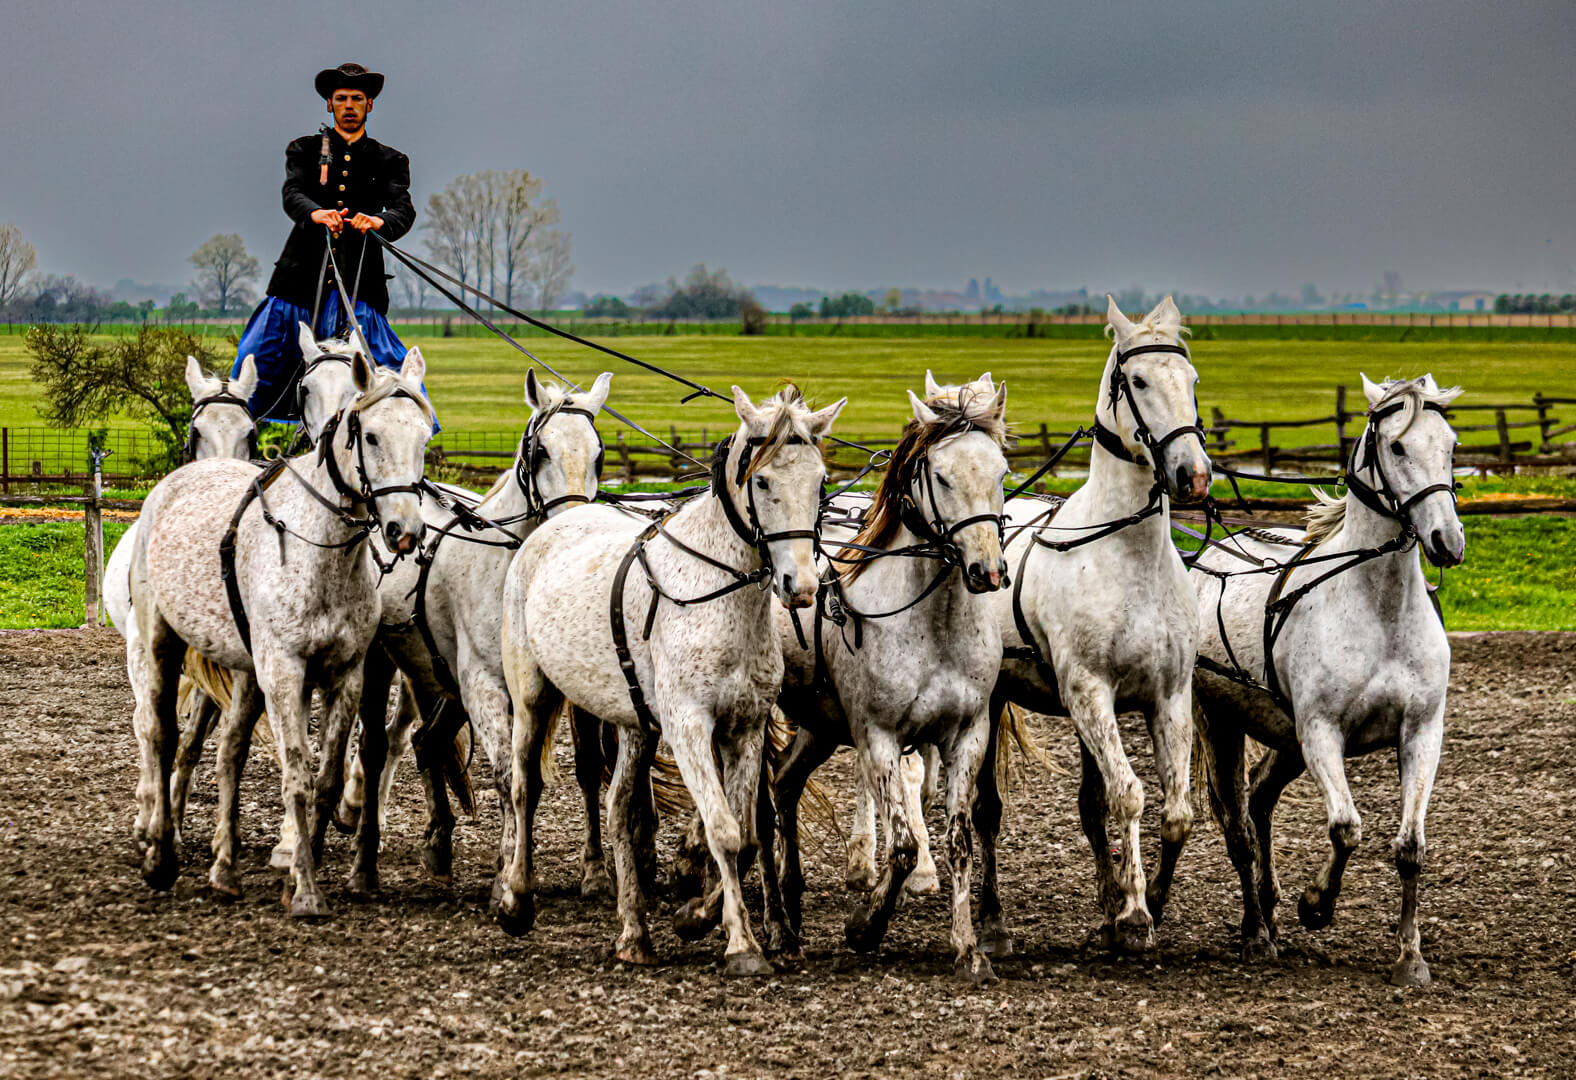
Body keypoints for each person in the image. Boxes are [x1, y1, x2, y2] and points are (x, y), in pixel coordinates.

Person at [233, 62, 424, 422]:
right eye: (341, 99)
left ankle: (407, 443)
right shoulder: (303, 150)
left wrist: (379, 221)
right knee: (252, 365)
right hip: (297, 286)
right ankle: (232, 444)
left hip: (358, 289)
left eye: (357, 98)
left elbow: (403, 209)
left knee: (398, 377)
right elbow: (293, 193)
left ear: (369, 105)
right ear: (329, 105)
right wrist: (314, 214)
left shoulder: (390, 160)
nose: (349, 105)